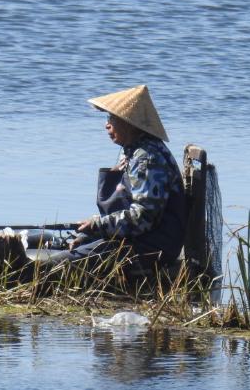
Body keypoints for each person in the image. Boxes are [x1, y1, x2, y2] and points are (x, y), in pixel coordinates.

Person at [66, 84, 186, 270]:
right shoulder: (133, 153)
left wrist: (97, 225)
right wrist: (91, 233)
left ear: (129, 123)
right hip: (135, 242)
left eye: (112, 118)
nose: (107, 124)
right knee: (64, 246)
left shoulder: (147, 158)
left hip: (150, 249)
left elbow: (143, 217)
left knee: (58, 264)